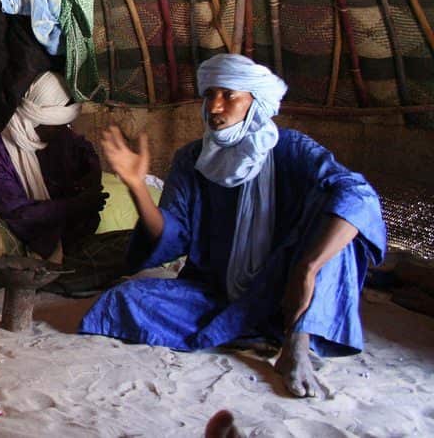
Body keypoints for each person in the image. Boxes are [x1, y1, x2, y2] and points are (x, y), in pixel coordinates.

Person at [79, 54, 387, 398]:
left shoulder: (291, 150)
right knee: (122, 300)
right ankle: (253, 327)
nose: (215, 106)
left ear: (255, 101)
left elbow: (358, 195)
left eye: (229, 95)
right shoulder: (191, 159)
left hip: (286, 286)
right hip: (217, 289)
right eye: (209, 95)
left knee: (340, 230)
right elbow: (172, 234)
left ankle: (296, 342)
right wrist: (137, 186)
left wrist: (308, 266)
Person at [0, 72, 109, 263]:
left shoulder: (59, 137)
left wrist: (92, 176)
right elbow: (13, 213)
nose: (63, 130)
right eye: (58, 123)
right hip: (9, 234)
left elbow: (84, 151)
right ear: (34, 117)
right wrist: (75, 206)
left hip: (62, 233)